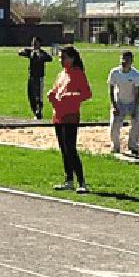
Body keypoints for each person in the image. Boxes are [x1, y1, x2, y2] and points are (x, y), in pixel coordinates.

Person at [47, 46, 93, 193]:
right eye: (60, 58)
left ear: (72, 58)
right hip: (58, 115)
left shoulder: (78, 74)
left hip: (71, 115)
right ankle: (68, 180)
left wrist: (72, 96)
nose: (61, 60)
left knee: (70, 149)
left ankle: (81, 181)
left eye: (64, 58)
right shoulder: (61, 74)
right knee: (63, 150)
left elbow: (87, 93)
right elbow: (56, 90)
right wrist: (52, 95)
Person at [107, 50, 139, 156]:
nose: (123, 62)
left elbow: (136, 92)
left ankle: (133, 146)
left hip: (131, 102)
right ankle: (115, 146)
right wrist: (114, 105)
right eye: (122, 59)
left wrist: (135, 108)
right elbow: (111, 89)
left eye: (126, 60)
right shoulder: (114, 72)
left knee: (136, 124)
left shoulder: (136, 74)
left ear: (131, 61)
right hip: (119, 102)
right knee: (114, 125)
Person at [17, 37, 53, 120]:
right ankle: (35, 112)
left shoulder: (42, 53)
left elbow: (49, 58)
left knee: (38, 96)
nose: (33, 44)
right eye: (33, 42)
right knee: (31, 95)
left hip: (39, 77)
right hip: (31, 77)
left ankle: (39, 112)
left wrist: (41, 56)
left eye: (35, 43)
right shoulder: (30, 52)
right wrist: (23, 51)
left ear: (39, 44)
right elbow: (20, 52)